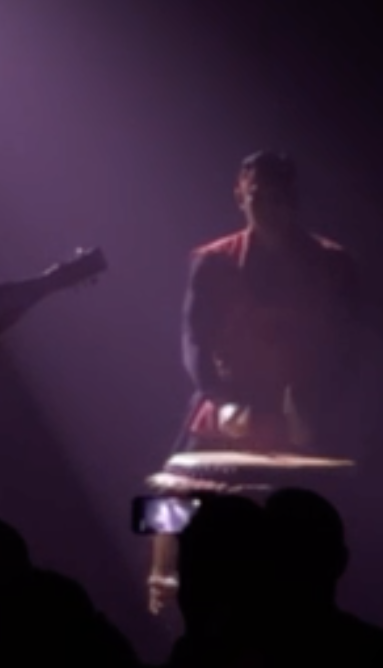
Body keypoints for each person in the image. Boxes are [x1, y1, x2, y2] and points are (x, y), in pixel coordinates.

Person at [148, 151, 359, 612]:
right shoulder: (213, 260)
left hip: (304, 404)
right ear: (240, 195)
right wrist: (221, 401)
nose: (268, 206)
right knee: (166, 493)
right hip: (228, 399)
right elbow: (193, 341)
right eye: (259, 195)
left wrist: (311, 407)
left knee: (321, 504)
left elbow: (346, 345)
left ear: (294, 199)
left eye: (279, 196)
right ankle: (163, 585)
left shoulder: (331, 263)